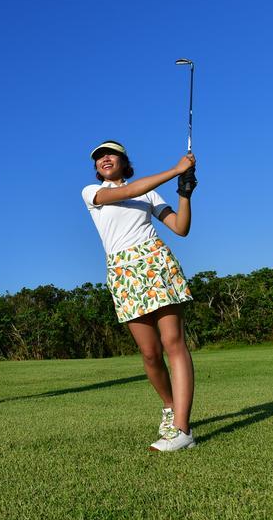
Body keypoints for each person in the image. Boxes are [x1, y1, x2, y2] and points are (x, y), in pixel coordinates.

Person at [81, 140, 199, 451]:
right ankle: (171, 408)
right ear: (96, 167)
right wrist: (175, 170)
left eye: (111, 154)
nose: (105, 159)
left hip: (155, 262)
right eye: (99, 157)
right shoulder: (92, 193)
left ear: (124, 161)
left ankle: (183, 430)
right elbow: (127, 193)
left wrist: (184, 192)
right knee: (149, 353)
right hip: (122, 271)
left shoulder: (148, 191)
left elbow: (180, 227)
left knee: (174, 342)